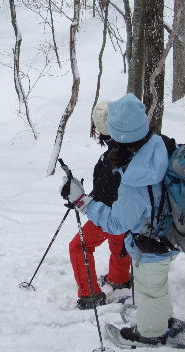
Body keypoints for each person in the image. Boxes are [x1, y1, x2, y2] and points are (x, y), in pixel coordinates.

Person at [62, 93, 180, 347]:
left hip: (152, 242)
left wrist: (82, 201)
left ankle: (150, 333)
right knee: (157, 287)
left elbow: (117, 223)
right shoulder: (160, 143)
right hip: (170, 232)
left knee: (150, 289)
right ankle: (163, 321)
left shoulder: (135, 178)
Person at [67, 102, 131, 310]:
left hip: (112, 216)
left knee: (79, 246)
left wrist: (81, 200)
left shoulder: (114, 156)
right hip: (131, 215)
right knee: (119, 240)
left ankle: (90, 293)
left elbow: (107, 195)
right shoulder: (131, 145)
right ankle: (119, 278)